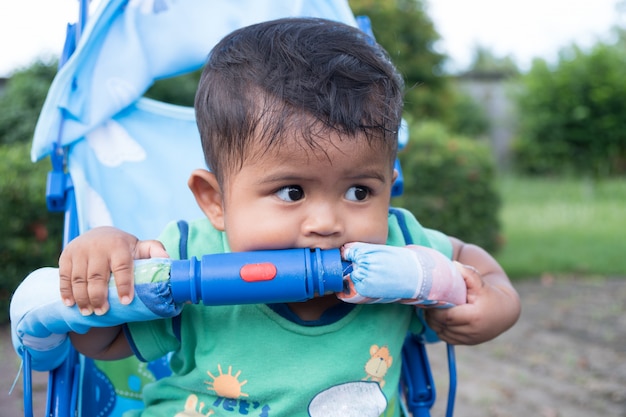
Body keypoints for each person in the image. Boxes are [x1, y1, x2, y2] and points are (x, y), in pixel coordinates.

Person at [58, 17, 520, 416]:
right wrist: (101, 260)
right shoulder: (187, 256)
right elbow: (101, 344)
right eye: (292, 192)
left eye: (360, 191)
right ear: (215, 201)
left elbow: (470, 260)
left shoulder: (399, 246)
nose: (326, 222)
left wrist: (496, 304)